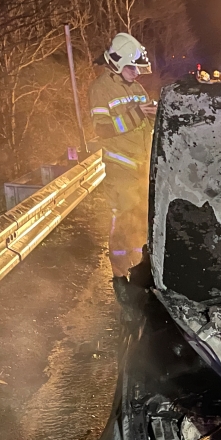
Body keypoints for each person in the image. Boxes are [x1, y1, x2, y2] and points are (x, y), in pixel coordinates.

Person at [88, 33, 155, 282]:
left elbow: (145, 122)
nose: (136, 73)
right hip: (120, 164)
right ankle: (119, 273)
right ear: (117, 63)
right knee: (124, 217)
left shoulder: (137, 88)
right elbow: (102, 128)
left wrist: (155, 115)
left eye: (137, 68)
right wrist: (137, 114)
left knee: (141, 218)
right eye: (131, 67)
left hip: (141, 165)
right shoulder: (101, 89)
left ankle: (139, 266)